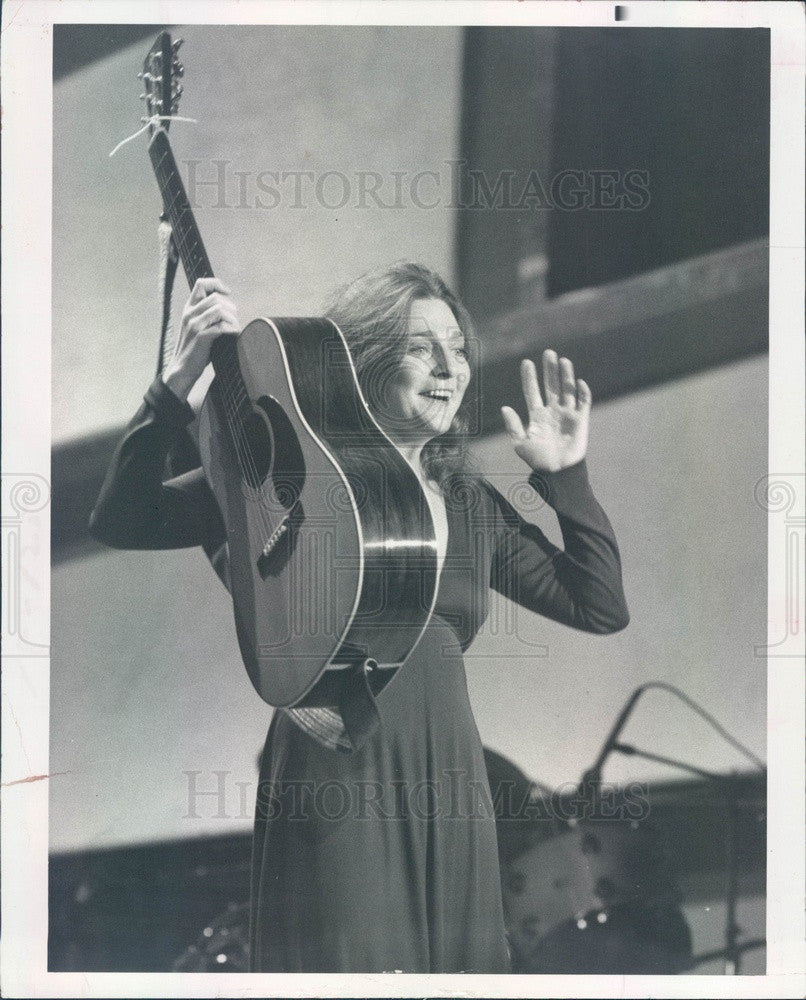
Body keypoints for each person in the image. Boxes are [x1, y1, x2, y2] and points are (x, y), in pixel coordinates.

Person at [89, 261, 629, 974]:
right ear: (366, 364)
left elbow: (600, 606)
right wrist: (176, 384)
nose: (449, 368)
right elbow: (121, 517)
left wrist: (566, 475)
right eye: (420, 348)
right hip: (338, 770)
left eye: (459, 348)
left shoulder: (466, 504)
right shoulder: (283, 484)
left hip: (450, 775)